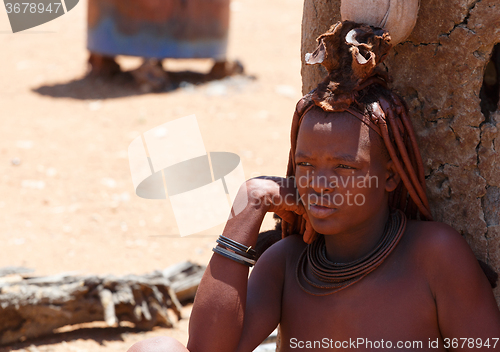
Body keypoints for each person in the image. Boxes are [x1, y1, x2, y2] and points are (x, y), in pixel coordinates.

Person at [128, 21, 500, 352]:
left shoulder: (434, 256)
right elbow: (208, 349)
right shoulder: (288, 263)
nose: (319, 185)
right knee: (155, 348)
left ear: (389, 176)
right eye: (306, 165)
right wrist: (251, 201)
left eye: (343, 167)